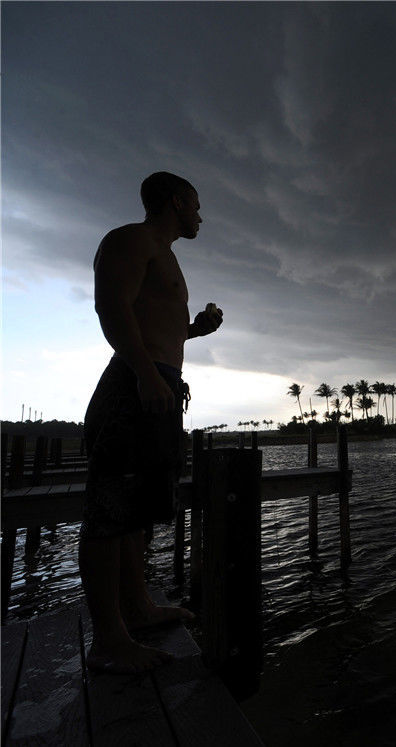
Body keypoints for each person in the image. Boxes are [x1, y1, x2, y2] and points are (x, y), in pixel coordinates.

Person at [80, 171, 223, 673]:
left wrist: (194, 331)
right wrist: (143, 374)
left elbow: (154, 324)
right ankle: (108, 641)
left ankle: (136, 608)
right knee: (109, 509)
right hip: (134, 383)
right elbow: (111, 307)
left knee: (136, 510)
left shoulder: (166, 255)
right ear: (176, 201)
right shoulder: (130, 240)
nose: (201, 215)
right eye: (196, 205)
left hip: (157, 382)